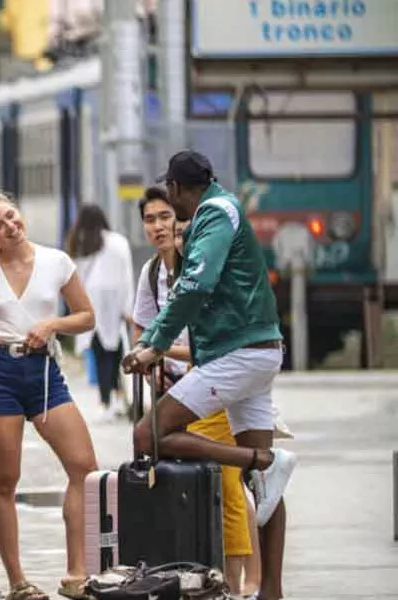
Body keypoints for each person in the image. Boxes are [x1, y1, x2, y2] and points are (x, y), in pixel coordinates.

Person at [123, 150, 298, 600]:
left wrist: (153, 345)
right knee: (266, 491)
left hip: (236, 355)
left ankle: (262, 461)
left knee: (149, 436)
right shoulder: (223, 210)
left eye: (171, 197)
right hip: (255, 352)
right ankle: (272, 592)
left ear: (179, 189)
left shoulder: (214, 215)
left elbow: (196, 283)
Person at [0, 194, 99, 600]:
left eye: (11, 216)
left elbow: (86, 316)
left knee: (85, 468)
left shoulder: (56, 261)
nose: (10, 226)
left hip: (45, 373)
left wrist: (52, 324)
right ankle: (17, 581)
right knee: (5, 480)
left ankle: (77, 573)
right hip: (0, 373)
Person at [130, 186, 258, 596]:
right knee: (186, 485)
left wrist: (164, 351)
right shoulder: (151, 273)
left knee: (227, 488)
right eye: (150, 219)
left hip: (213, 384)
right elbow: (141, 331)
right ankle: (195, 569)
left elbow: (216, 341)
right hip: (172, 392)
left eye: (166, 217)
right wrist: (149, 359)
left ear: (183, 220)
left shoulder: (203, 265)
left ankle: (236, 584)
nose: (159, 227)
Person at [66, 204, 134, 420]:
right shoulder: (118, 241)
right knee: (116, 354)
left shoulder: (78, 241)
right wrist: (128, 307)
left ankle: (105, 402)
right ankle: (117, 397)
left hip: (90, 304)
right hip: (115, 304)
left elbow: (74, 276)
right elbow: (127, 276)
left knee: (99, 354)